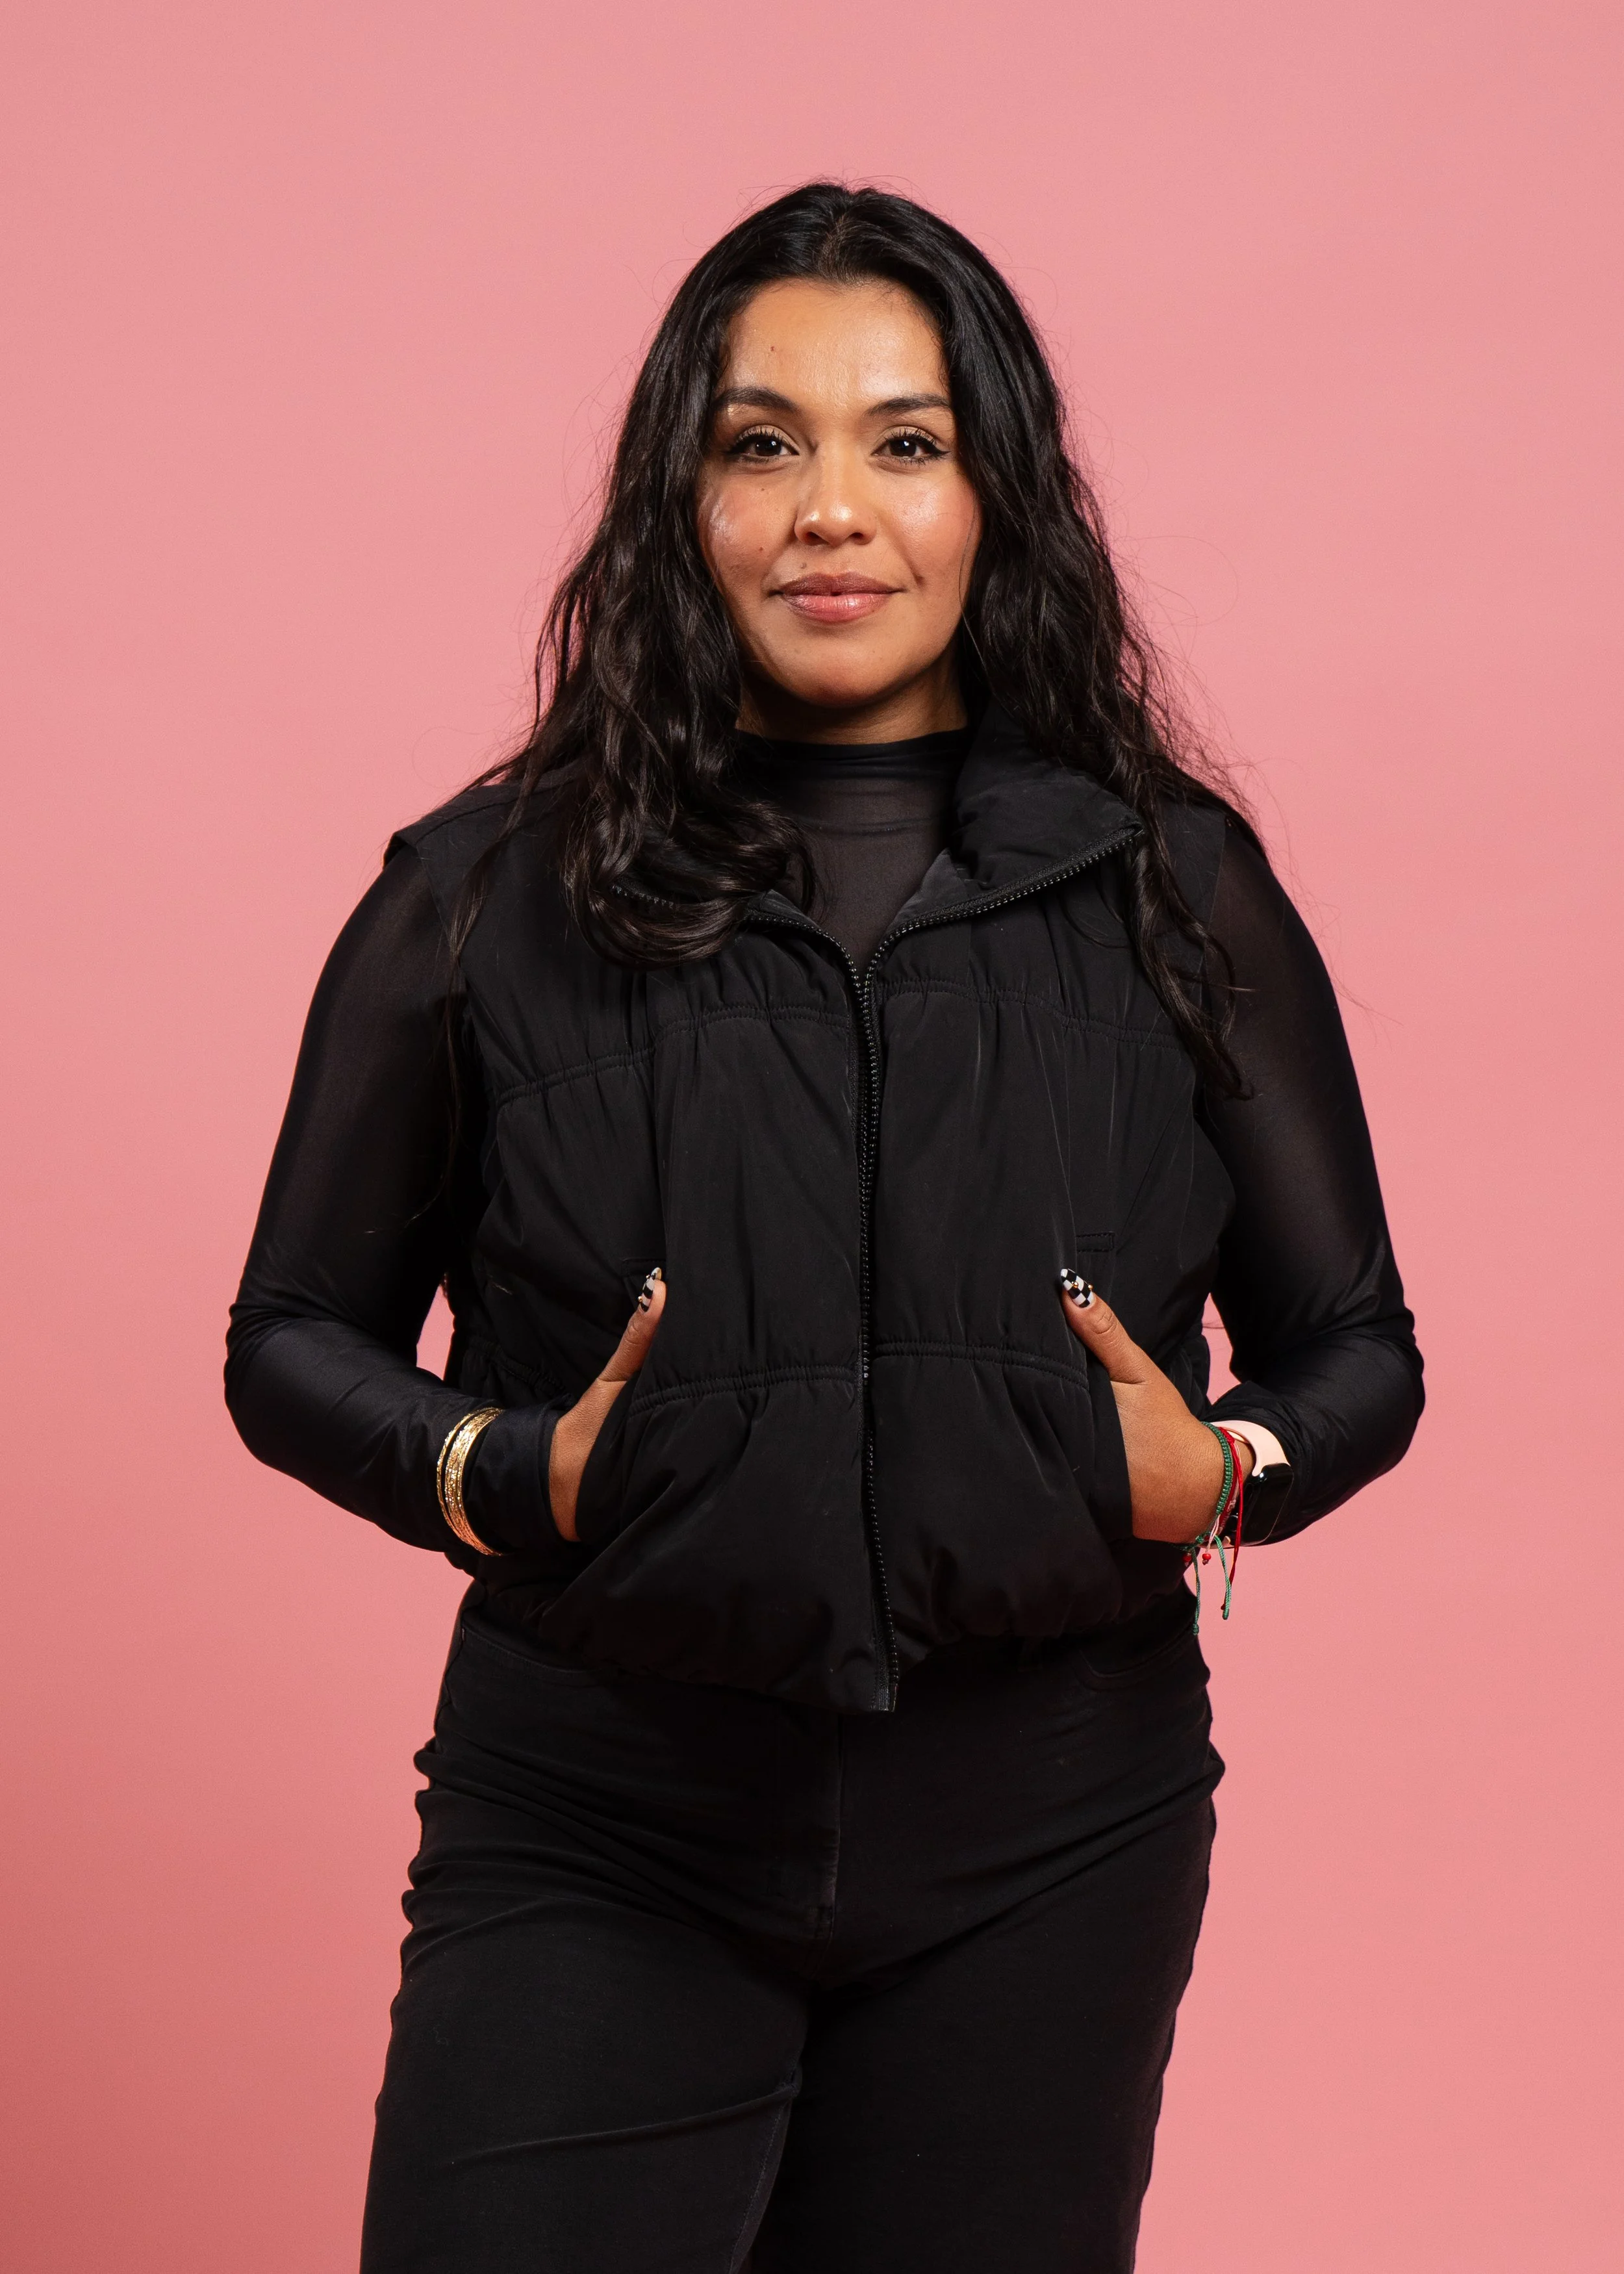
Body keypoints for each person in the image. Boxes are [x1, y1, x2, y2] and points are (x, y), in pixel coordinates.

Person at [225, 183, 1423, 2274]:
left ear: (993, 496)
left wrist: (1229, 1471)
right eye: (761, 442)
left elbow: (1358, 1346)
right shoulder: (484, 893)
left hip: (1055, 1829)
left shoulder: (1170, 889)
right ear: (678, 499)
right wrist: (494, 1466)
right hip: (599, 1809)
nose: (830, 510)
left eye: (906, 440)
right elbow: (289, 1332)